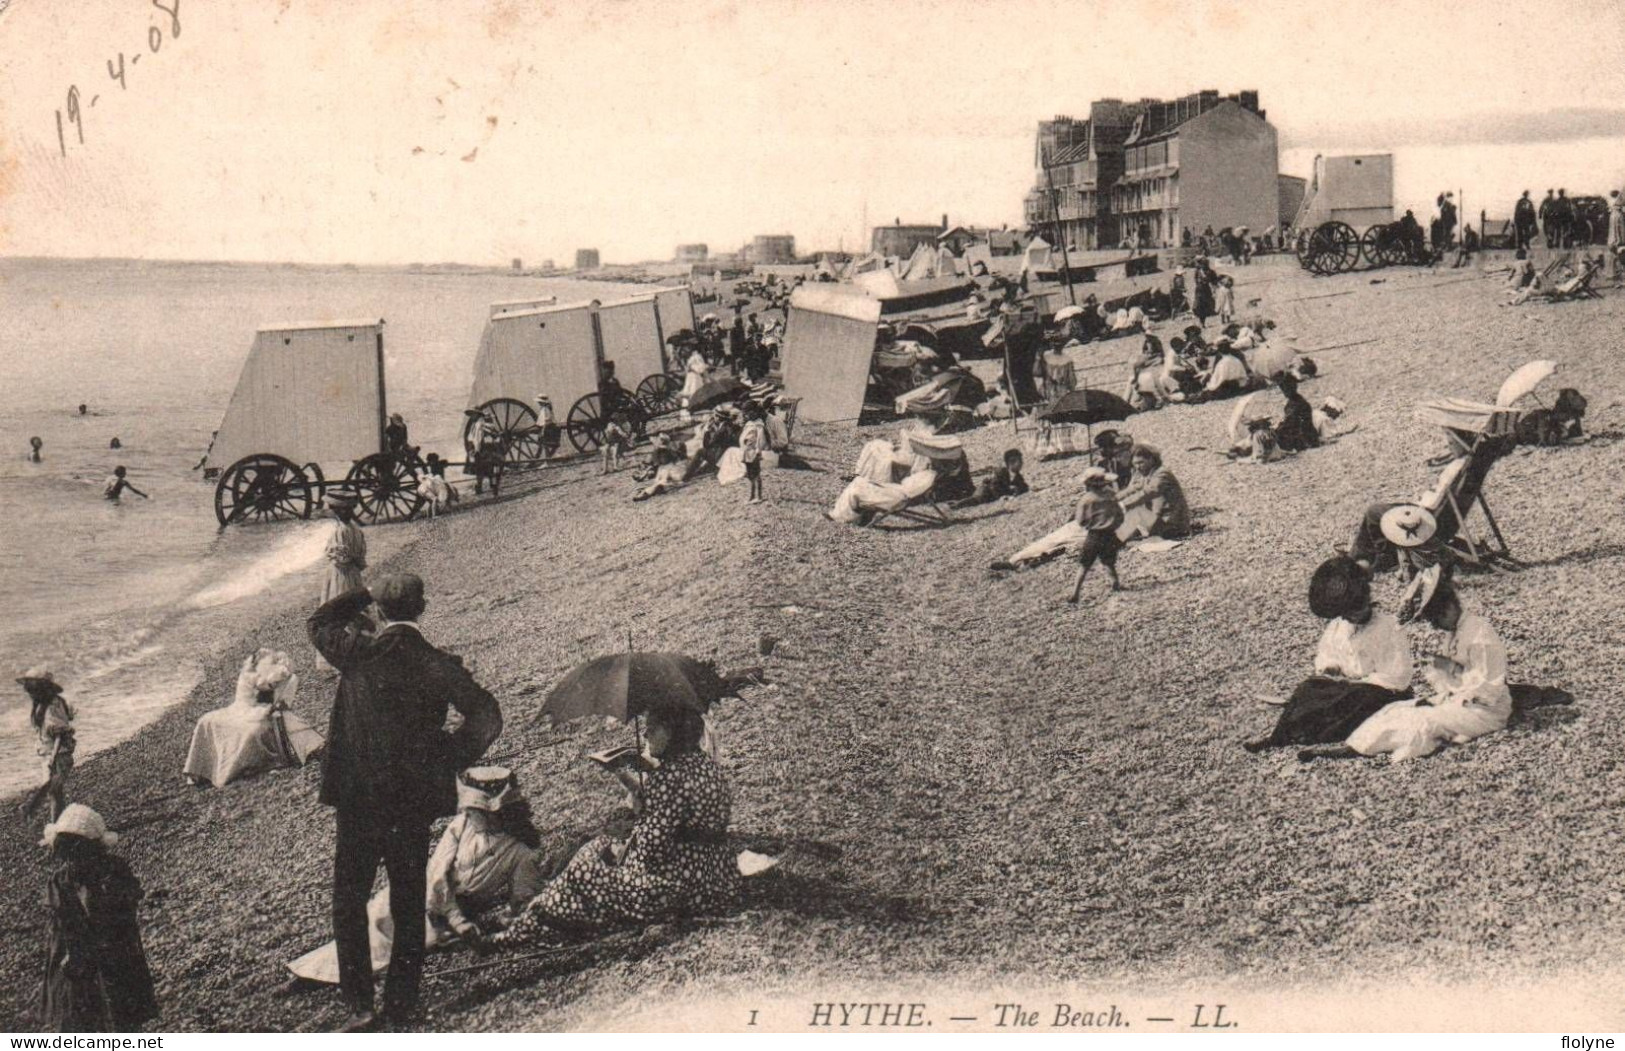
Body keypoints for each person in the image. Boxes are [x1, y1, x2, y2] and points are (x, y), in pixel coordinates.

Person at [307, 575, 503, 1032]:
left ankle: (359, 1005)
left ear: (378, 611)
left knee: (348, 897)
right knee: (408, 897)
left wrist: (363, 591)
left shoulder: (356, 653)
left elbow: (318, 620)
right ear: (422, 609)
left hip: (358, 797)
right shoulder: (435, 662)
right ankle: (400, 1003)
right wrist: (448, 755)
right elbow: (487, 714)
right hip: (410, 800)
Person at [492, 705, 740, 944]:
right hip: (717, 879)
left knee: (584, 868)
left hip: (679, 890)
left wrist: (627, 844)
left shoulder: (667, 778)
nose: (645, 734)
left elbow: (651, 850)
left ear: (672, 731)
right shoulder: (709, 768)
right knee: (597, 849)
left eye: (652, 728)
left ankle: (524, 926)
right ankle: (536, 913)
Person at [284, 766, 542, 985]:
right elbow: (437, 872)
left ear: (494, 812)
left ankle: (329, 975)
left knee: (395, 939)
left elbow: (524, 898)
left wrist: (500, 922)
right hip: (426, 893)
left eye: (474, 811)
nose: (468, 814)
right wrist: (456, 918)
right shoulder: (461, 825)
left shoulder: (520, 853)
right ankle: (312, 972)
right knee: (375, 913)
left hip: (456, 911)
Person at [1321, 565, 1512, 762]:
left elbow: (1488, 688)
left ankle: (1383, 752)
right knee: (1394, 710)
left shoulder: (1479, 633)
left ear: (1449, 607)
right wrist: (1443, 682)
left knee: (1424, 721)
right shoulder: (1456, 632)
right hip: (1459, 701)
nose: (1435, 626)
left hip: (1485, 711)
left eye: (1435, 619)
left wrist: (1449, 685)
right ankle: (1354, 747)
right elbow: (1459, 678)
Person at [1243, 557, 1412, 752]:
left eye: (1358, 610)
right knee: (1307, 689)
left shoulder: (1388, 627)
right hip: (1346, 685)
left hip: (1380, 691)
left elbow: (1398, 678)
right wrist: (1331, 668)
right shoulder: (1340, 627)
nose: (1353, 617)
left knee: (1353, 700)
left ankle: (1315, 737)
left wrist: (1357, 681)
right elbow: (1327, 655)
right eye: (1348, 614)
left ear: (1368, 602)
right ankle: (1277, 737)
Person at [35, 805, 160, 1033]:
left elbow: (126, 908)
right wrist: (74, 951)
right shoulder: (61, 881)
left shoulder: (114, 871)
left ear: (94, 849)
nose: (74, 858)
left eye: (80, 850)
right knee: (81, 1009)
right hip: (77, 952)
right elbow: (64, 924)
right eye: (68, 852)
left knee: (120, 1010)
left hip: (114, 949)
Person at [183, 648, 323, 788]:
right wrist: (276, 677)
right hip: (245, 710)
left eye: (271, 662)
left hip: (267, 713)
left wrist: (281, 678)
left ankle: (233, 769)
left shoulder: (279, 676)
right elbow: (249, 697)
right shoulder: (248, 676)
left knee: (257, 730)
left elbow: (281, 699)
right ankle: (202, 771)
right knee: (206, 720)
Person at [19, 668, 76, 823]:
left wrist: (53, 758)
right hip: (51, 753)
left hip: (58, 754)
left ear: (42, 688)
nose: (30, 692)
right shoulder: (42, 704)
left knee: (53, 791)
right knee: (55, 792)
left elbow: (59, 734)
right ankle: (60, 823)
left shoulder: (52, 706)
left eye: (32, 688)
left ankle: (55, 825)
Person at [1065, 467, 1124, 603]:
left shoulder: (1086, 500)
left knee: (1084, 565)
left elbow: (1080, 520)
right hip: (1110, 534)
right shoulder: (1111, 495)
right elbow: (1120, 514)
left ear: (1087, 485)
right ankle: (1115, 583)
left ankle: (1075, 593)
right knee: (1109, 563)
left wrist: (1088, 524)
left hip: (1094, 536)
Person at [1115, 444, 1190, 540]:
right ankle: (1116, 537)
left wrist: (1124, 505)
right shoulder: (1145, 474)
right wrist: (1112, 500)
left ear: (1151, 459)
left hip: (1173, 524)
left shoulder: (1162, 474)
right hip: (1159, 521)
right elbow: (1131, 490)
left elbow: (1149, 492)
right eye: (1135, 463)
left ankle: (1116, 539)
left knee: (1136, 511)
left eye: (1141, 462)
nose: (1137, 467)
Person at [319, 493, 367, 604]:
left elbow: (341, 559)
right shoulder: (356, 529)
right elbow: (361, 558)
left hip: (340, 574)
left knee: (338, 602)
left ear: (337, 512)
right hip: (354, 573)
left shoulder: (339, 530)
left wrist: (330, 554)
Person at [952, 448, 1028, 509]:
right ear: (1011, 462)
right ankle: (956, 505)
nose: (1022, 463)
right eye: (1020, 461)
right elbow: (994, 487)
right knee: (976, 499)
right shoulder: (1001, 472)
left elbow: (1024, 486)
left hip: (991, 495)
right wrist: (1003, 495)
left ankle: (956, 503)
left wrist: (1017, 489)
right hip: (985, 490)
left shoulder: (1017, 476)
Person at [1274, 374, 1320, 453]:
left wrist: (1279, 429)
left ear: (1293, 387)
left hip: (1304, 437)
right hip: (1303, 433)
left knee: (1275, 439)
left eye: (1286, 389)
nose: (1285, 392)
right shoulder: (1293, 402)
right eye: (1283, 389)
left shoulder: (1298, 403)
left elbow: (1293, 423)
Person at [739, 402, 767, 505]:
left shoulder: (758, 425)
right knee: (750, 475)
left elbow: (760, 440)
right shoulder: (749, 424)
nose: (746, 415)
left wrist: (758, 451)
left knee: (756, 475)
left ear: (754, 412)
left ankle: (758, 496)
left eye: (748, 413)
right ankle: (751, 496)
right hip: (747, 452)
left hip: (753, 452)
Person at [535, 396, 562, 461]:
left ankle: (547, 460)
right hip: (547, 426)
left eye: (540, 402)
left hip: (548, 427)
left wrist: (543, 430)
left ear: (543, 402)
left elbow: (547, 420)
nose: (538, 403)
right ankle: (548, 459)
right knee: (545, 444)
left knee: (546, 444)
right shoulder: (543, 408)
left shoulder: (545, 409)